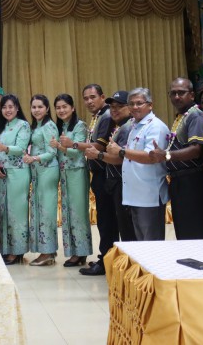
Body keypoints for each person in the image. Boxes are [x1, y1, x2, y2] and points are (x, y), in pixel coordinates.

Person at [147, 78, 203, 240]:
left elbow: (196, 150)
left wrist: (166, 155)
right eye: (173, 93)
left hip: (193, 181)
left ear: (192, 95)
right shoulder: (182, 116)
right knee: (183, 232)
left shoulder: (196, 116)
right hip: (179, 182)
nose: (176, 97)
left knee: (195, 233)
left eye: (181, 93)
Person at [106, 88, 170, 241]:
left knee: (151, 244)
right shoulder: (135, 125)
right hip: (134, 195)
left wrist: (120, 151)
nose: (135, 107)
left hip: (149, 195)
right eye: (131, 104)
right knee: (141, 245)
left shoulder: (155, 126)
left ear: (150, 105)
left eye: (139, 103)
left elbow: (151, 157)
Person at [70, 84, 116, 277]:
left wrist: (73, 144)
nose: (89, 101)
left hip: (106, 173)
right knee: (105, 220)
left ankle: (106, 262)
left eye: (92, 97)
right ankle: (106, 258)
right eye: (86, 98)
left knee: (107, 221)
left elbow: (98, 146)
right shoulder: (98, 116)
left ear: (102, 97)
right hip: (98, 173)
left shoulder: (106, 116)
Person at [85, 91, 137, 247]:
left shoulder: (128, 128)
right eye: (112, 107)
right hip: (115, 181)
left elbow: (121, 158)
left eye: (120, 106)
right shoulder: (120, 126)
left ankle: (129, 260)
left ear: (130, 108)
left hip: (123, 181)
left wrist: (98, 155)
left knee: (127, 228)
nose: (114, 110)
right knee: (120, 224)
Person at [50, 94, 92, 267]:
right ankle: (74, 252)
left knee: (78, 213)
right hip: (64, 172)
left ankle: (81, 252)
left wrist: (60, 146)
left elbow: (77, 152)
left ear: (73, 108)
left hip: (77, 172)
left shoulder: (80, 125)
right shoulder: (60, 127)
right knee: (68, 212)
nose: (61, 110)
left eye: (64, 106)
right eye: (58, 107)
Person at [0, 94, 31, 265]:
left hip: (18, 173)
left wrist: (5, 148)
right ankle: (7, 249)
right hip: (2, 175)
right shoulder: (1, 126)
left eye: (11, 107)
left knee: (17, 213)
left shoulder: (23, 125)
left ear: (17, 108)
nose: (7, 110)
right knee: (5, 212)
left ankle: (17, 251)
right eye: (4, 107)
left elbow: (21, 148)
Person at [23, 94, 60, 266]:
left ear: (47, 109)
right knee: (40, 210)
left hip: (47, 170)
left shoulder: (49, 126)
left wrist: (34, 158)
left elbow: (52, 152)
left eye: (40, 107)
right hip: (38, 170)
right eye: (34, 107)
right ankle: (48, 250)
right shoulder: (37, 125)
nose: (36, 110)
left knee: (46, 211)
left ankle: (47, 253)